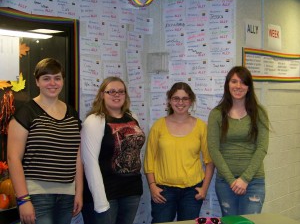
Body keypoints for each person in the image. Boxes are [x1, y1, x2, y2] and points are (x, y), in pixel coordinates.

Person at [7, 58, 83, 224]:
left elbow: (76, 156)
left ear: (63, 80)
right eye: (46, 78)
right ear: (37, 82)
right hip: (36, 195)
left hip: (67, 195)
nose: (52, 83)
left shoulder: (71, 113)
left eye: (57, 78)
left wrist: (79, 192)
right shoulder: (26, 113)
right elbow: (13, 158)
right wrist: (23, 199)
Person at [144, 82, 214, 223]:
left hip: (192, 192)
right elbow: (149, 159)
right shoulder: (158, 126)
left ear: (191, 101)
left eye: (185, 98)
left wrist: (204, 188)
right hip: (163, 191)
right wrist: (152, 186)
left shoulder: (201, 127)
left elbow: (209, 161)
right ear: (170, 101)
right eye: (176, 98)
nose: (180, 102)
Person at [81, 76, 146, 224]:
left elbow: (136, 151)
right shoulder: (95, 120)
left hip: (131, 191)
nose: (116, 95)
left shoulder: (133, 117)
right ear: (102, 95)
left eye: (121, 91)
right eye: (111, 91)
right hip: (105, 194)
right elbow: (89, 163)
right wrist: (100, 202)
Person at [207, 66, 269, 216]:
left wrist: (244, 179)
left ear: (249, 87)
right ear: (228, 84)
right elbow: (213, 149)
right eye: (234, 81)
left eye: (243, 82)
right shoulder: (216, 114)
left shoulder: (259, 113)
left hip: (253, 181)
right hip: (225, 183)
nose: (238, 86)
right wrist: (231, 180)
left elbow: (262, 148)